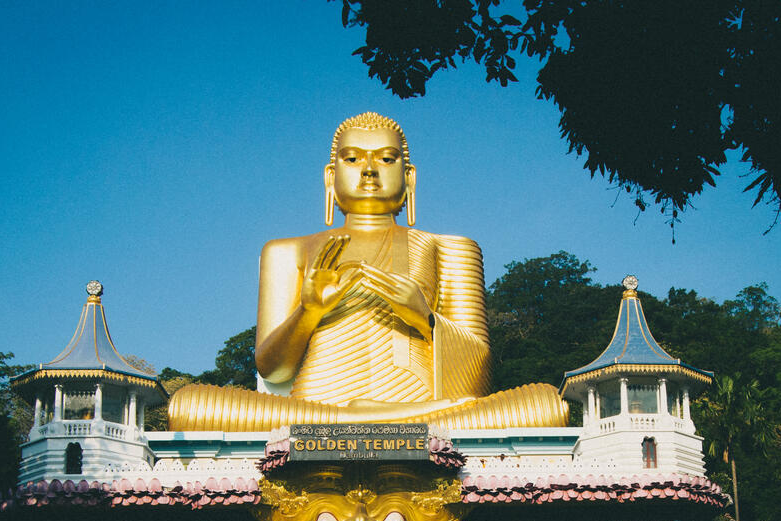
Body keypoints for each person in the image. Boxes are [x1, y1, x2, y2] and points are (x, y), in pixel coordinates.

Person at [168, 112, 567, 431]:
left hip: (425, 408)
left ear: (409, 177)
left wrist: (426, 320)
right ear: (331, 175)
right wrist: (308, 312)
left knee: (548, 403)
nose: (370, 170)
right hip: (316, 410)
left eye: (387, 159)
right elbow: (273, 368)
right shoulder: (287, 250)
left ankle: (363, 421)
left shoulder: (449, 247)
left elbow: (478, 375)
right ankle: (356, 421)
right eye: (354, 157)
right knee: (187, 404)